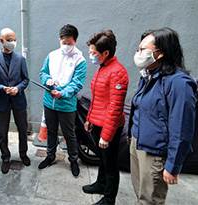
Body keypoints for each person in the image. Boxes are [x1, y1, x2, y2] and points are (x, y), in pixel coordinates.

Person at [129, 27, 197, 204]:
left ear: (161, 53)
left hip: (155, 152)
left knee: (150, 200)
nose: (139, 53)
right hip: (138, 143)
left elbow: (182, 128)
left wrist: (173, 166)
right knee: (141, 194)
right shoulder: (148, 75)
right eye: (139, 49)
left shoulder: (179, 84)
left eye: (143, 50)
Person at [82, 30, 129, 205]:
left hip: (109, 127)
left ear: (106, 53)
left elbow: (115, 107)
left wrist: (106, 135)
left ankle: (109, 198)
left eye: (94, 53)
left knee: (110, 164)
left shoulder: (118, 72)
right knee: (102, 159)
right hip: (97, 123)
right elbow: (98, 100)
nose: (91, 56)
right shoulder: (103, 68)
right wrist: (89, 119)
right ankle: (100, 184)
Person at [38, 24, 87, 177]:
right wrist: (48, 80)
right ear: (59, 39)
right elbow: (43, 72)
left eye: (70, 43)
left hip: (66, 104)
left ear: (76, 41)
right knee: (51, 131)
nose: (66, 46)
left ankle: (73, 160)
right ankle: (50, 156)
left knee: (69, 133)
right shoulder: (52, 55)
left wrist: (61, 94)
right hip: (49, 102)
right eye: (63, 42)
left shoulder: (80, 60)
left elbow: (77, 84)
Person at [0, 28, 30, 174]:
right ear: (1, 41)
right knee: (2, 133)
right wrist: (1, 88)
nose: (13, 42)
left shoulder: (20, 59)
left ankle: (23, 154)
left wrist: (18, 88)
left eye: (14, 39)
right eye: (9, 40)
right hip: (2, 100)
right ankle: (5, 158)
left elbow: (25, 79)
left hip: (18, 100)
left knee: (23, 130)